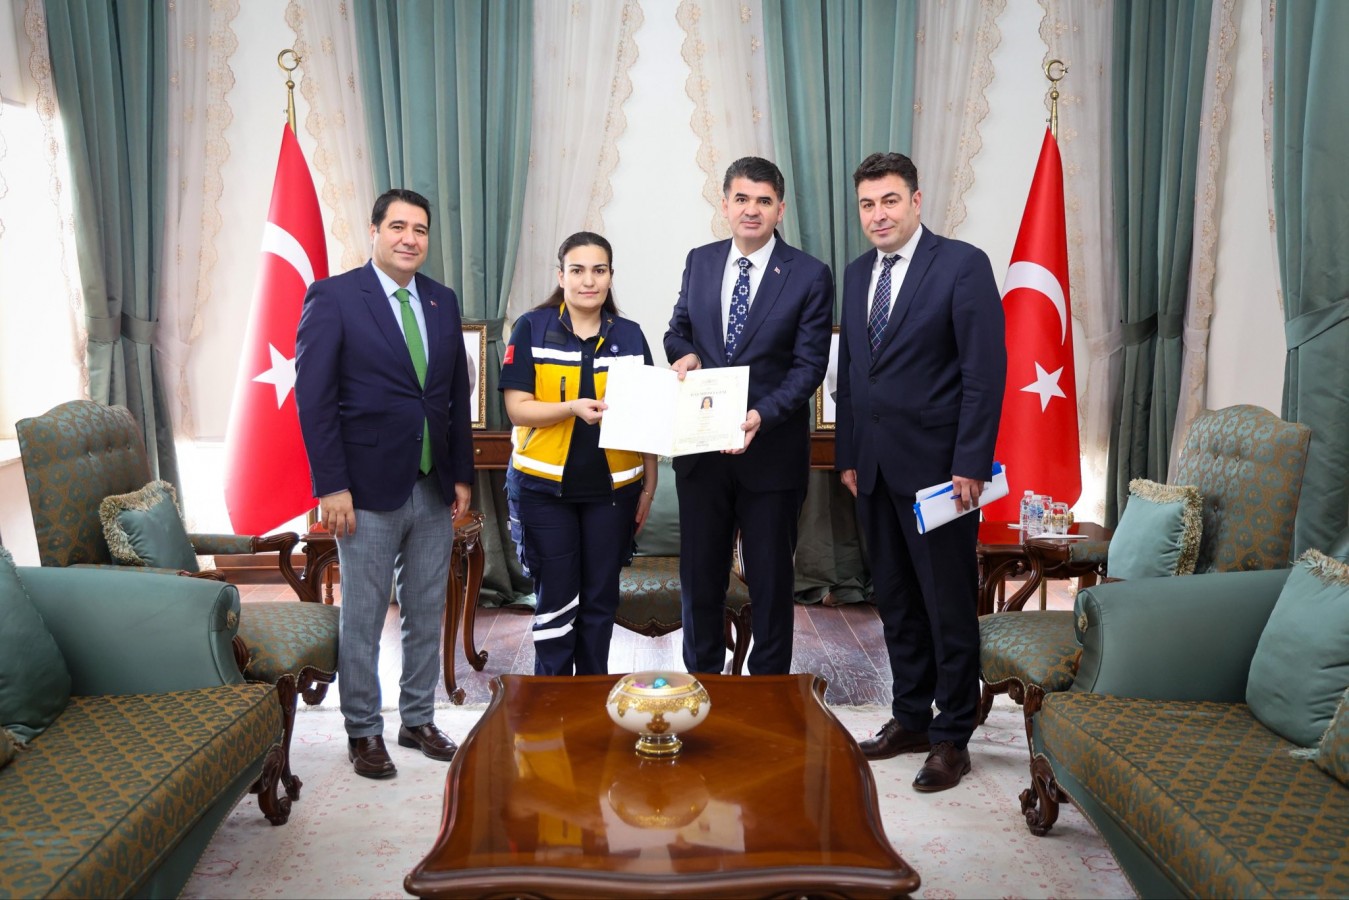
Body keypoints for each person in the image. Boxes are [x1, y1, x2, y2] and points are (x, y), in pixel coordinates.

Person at [835, 152, 1006, 792]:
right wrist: (849, 454)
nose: (878, 214)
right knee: (897, 602)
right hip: (874, 470)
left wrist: (971, 462)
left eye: (889, 200)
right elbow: (854, 374)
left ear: (916, 200)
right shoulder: (857, 274)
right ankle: (910, 717)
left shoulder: (962, 265)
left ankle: (952, 734)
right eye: (867, 204)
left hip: (942, 475)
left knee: (946, 605)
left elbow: (983, 373)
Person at [294, 188, 473, 780]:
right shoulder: (335, 297)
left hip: (432, 484)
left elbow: (454, 396)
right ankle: (363, 729)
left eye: (420, 229)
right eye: (397, 227)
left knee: (426, 607)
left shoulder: (442, 301)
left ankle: (417, 719)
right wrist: (331, 486)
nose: (409, 239)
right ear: (374, 231)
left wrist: (461, 475)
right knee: (365, 615)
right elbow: (315, 401)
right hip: (362, 490)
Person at [665, 156, 833, 676]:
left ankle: (768, 693)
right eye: (741, 199)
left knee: (770, 582)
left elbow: (809, 367)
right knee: (700, 578)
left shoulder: (809, 274)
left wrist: (762, 414)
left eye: (763, 200)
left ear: (780, 209)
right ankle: (701, 683)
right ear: (725, 205)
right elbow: (677, 329)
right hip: (702, 453)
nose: (751, 210)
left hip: (771, 452)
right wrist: (682, 354)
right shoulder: (700, 261)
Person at [500, 232, 658, 675]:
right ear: (561, 276)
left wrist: (650, 484)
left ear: (610, 276)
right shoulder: (531, 327)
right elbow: (517, 408)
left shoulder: (630, 335)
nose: (589, 280)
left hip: (614, 494)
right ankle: (552, 698)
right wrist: (570, 408)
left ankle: (591, 696)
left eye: (599, 270)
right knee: (556, 600)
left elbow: (646, 414)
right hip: (543, 491)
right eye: (578, 270)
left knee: (600, 599)